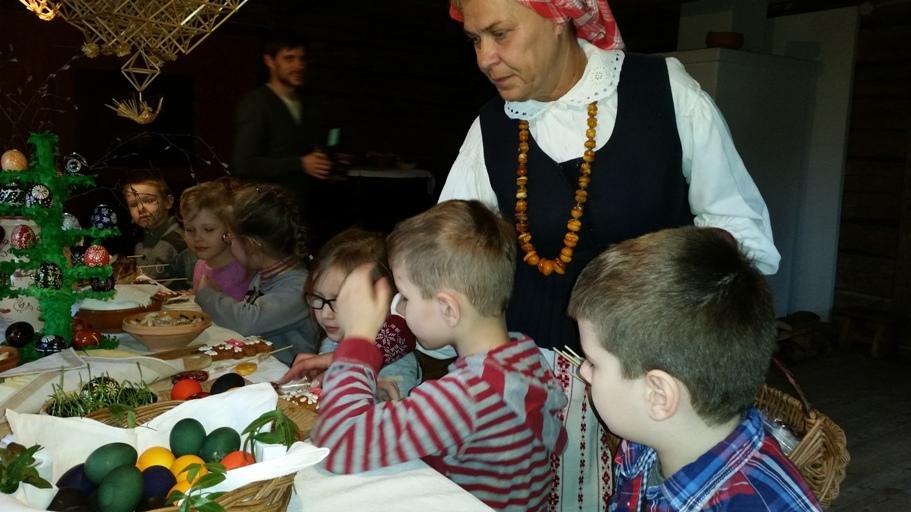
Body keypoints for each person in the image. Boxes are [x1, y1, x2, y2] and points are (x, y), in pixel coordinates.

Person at [440, 0, 780, 353]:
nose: (485, 59)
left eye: (500, 34)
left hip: (659, 355)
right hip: (536, 360)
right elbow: (447, 256)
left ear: (558, 20)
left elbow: (739, 225)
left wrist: (671, 271)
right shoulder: (492, 127)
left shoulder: (662, 91)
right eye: (475, 40)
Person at [310, 200, 567, 512]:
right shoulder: (526, 357)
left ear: (447, 308)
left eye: (406, 297)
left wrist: (358, 338)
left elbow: (337, 444)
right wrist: (408, 416)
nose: (399, 308)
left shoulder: (467, 394)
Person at [569, 226, 821, 511]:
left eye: (593, 363)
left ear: (658, 395)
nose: (583, 372)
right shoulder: (643, 444)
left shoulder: (753, 504)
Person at [277, 227, 421, 399]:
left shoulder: (397, 369)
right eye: (318, 297)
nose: (326, 314)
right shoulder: (332, 342)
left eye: (339, 301)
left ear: (383, 300)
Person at [194, 183, 319, 364]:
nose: (228, 244)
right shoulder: (263, 275)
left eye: (229, 238)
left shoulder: (299, 287)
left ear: (251, 245)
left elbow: (246, 322)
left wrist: (207, 293)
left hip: (289, 372)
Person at [232, 32, 332, 214]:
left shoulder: (306, 104)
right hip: (268, 211)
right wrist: (300, 163)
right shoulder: (256, 103)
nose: (298, 65)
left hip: (299, 207)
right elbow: (244, 164)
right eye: (289, 58)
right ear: (270, 61)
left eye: (302, 59)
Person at [179, 178, 252, 301]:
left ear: (231, 228)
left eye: (208, 230)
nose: (197, 238)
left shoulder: (243, 272)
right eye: (190, 230)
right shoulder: (200, 264)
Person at [122, 171, 196, 288]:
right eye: (134, 204)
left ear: (168, 202)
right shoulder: (139, 242)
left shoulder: (181, 243)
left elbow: (196, 287)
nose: (141, 208)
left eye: (148, 200)